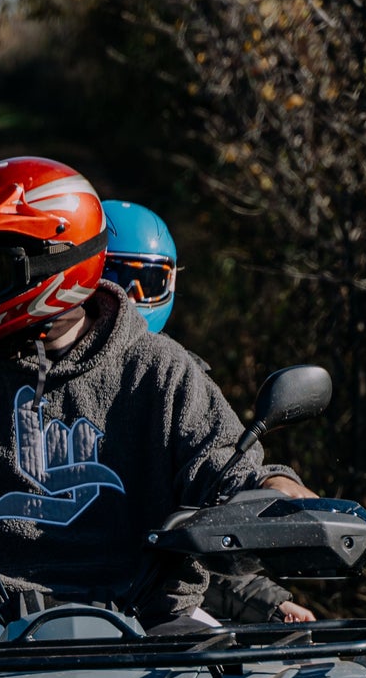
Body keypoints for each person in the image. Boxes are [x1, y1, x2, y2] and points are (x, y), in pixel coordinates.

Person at [0, 157, 307, 632]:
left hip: (148, 624)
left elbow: (221, 466)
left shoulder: (160, 370)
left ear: (57, 265)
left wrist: (273, 490)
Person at [101, 199, 318, 625]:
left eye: (149, 281)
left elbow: (212, 509)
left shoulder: (180, 381)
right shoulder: (8, 376)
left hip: (148, 612)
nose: (133, 299)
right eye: (116, 279)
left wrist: (262, 599)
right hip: (20, 611)